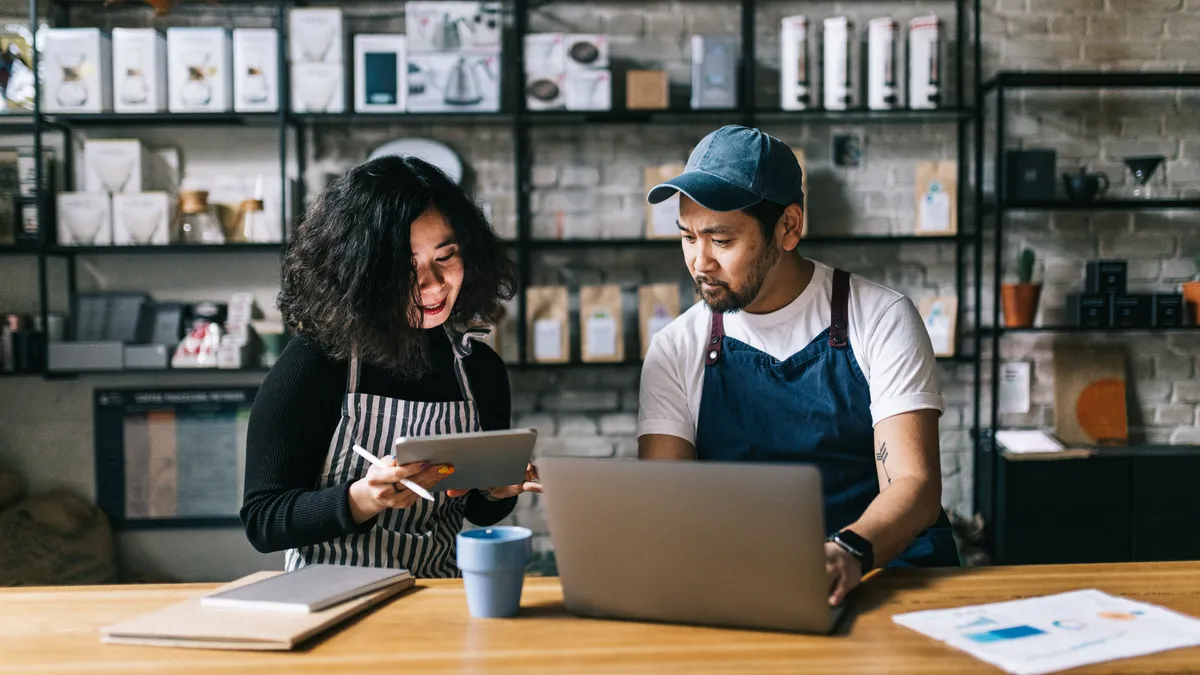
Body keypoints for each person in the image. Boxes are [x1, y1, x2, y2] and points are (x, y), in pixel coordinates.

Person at [637, 125, 960, 606]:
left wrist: (846, 552)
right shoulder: (675, 348)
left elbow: (913, 484)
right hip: (749, 579)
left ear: (788, 227)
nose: (699, 262)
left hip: (883, 570)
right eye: (687, 237)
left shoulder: (882, 318)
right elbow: (667, 502)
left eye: (721, 241)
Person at [240, 155, 538, 577]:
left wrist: (496, 489)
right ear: (359, 273)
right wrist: (364, 497)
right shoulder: (315, 362)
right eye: (404, 267)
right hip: (329, 599)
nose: (433, 284)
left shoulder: (479, 369)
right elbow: (263, 521)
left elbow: (479, 513)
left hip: (438, 597)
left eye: (446, 256)